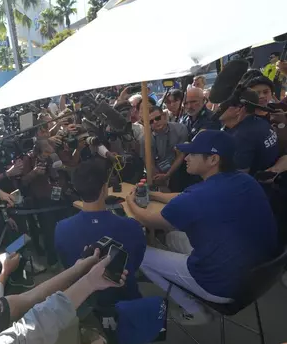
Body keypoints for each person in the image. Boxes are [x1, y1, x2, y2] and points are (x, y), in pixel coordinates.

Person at [126, 131, 278, 325]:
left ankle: (194, 309)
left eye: (192, 154)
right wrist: (154, 195)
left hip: (222, 284)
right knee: (173, 237)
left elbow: (148, 220)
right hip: (258, 278)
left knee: (140, 255)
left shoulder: (199, 196)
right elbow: (184, 196)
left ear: (213, 159)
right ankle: (181, 276)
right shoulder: (244, 180)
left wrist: (131, 201)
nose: (186, 158)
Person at [56, 159, 146, 304]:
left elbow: (67, 265)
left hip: (84, 301)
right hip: (126, 297)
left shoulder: (61, 228)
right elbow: (136, 262)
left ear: (76, 189)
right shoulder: (132, 226)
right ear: (105, 188)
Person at [219, 88, 279, 175]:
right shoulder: (260, 122)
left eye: (224, 104)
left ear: (239, 109)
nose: (219, 107)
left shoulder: (242, 137)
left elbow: (238, 178)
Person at [140, 106, 189, 186]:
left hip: (179, 171)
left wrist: (168, 174)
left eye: (158, 118)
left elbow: (181, 155)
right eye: (151, 121)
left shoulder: (180, 129)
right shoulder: (145, 139)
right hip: (158, 174)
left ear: (164, 116)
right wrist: (161, 180)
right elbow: (149, 163)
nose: (155, 122)